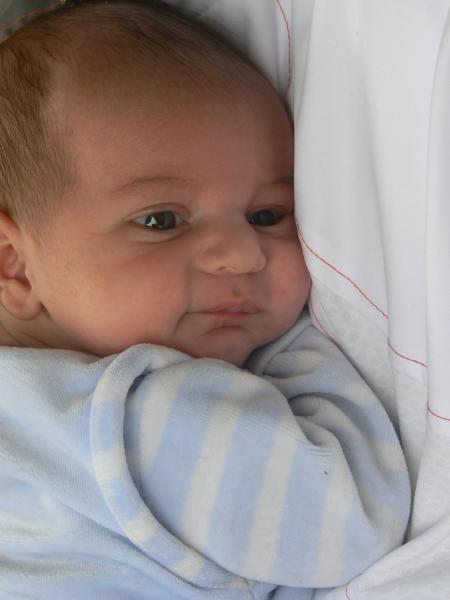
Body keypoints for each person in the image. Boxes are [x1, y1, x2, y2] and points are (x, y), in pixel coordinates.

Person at [0, 1, 410, 599]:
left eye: (266, 215)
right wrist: (299, 346)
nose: (242, 255)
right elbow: (348, 522)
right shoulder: (131, 415)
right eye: (161, 220)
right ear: (14, 266)